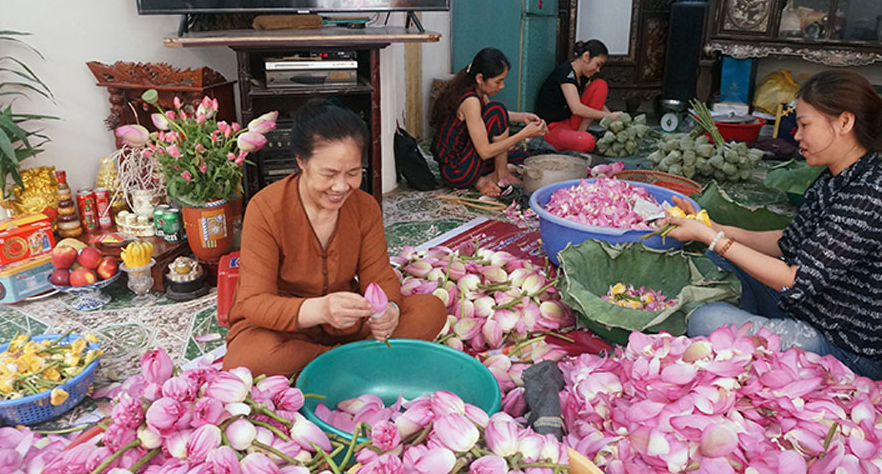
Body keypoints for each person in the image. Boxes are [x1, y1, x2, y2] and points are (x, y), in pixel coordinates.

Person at [665, 70, 882, 381]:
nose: (796, 135)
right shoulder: (838, 176)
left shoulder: (871, 196)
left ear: (844, 122)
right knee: (717, 256)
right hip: (810, 309)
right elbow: (785, 243)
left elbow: (793, 280)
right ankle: (754, 334)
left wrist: (712, 236)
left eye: (804, 125)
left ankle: (751, 336)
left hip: (848, 351)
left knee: (706, 320)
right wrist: (709, 226)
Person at [224, 101, 447, 376]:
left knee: (431, 310)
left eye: (353, 173)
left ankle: (333, 367)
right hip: (287, 327)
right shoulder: (266, 208)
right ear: (301, 161)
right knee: (247, 360)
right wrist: (319, 309)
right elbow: (255, 302)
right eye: (329, 174)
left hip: (349, 322)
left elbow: (379, 276)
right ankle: (356, 362)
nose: (341, 187)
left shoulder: (364, 207)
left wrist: (389, 311)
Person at [429, 47, 548, 196]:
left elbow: (492, 116)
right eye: (498, 81)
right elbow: (485, 152)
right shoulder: (470, 100)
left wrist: (523, 117)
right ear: (480, 78)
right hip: (457, 172)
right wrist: (523, 134)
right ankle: (499, 175)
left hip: (466, 157)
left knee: (523, 158)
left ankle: (494, 175)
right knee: (497, 109)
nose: (502, 86)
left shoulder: (475, 89)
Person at [534, 39, 625, 154]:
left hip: (570, 122)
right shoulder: (566, 73)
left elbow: (596, 101)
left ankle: (580, 132)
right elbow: (576, 108)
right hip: (552, 128)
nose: (598, 70)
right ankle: (579, 136)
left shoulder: (583, 76)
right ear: (586, 56)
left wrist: (615, 122)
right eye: (598, 64)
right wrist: (609, 116)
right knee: (587, 142)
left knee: (600, 85)